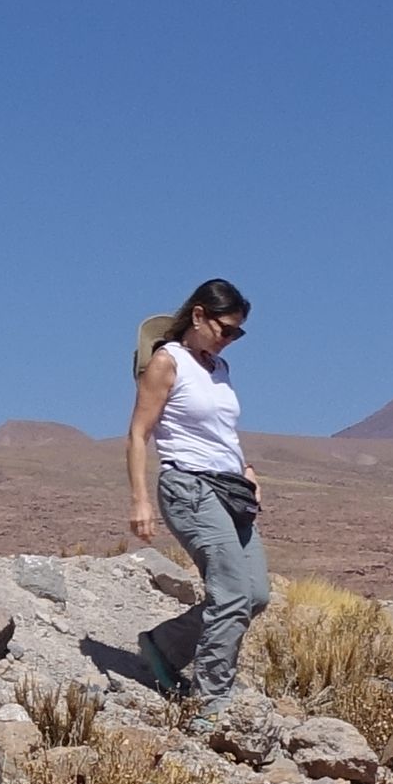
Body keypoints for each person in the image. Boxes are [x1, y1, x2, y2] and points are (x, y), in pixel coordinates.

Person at [121, 279, 266, 722]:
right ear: (199, 315)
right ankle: (210, 704)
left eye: (238, 333)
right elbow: (138, 434)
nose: (230, 339)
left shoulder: (220, 368)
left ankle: (163, 647)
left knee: (255, 595)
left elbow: (221, 431)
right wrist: (140, 500)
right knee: (231, 594)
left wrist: (246, 469)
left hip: (231, 489)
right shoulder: (167, 362)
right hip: (189, 487)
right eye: (226, 329)